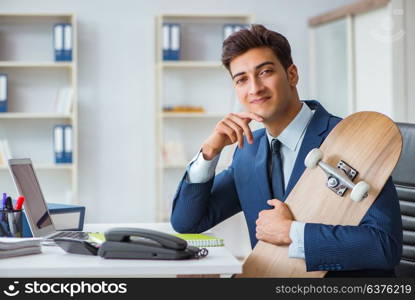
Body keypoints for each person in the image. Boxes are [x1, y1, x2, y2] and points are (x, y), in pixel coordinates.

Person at [170, 24, 402, 277]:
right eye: (242, 79)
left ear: (292, 75)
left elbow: (384, 246)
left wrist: (292, 233)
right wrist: (208, 153)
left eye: (265, 72)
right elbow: (187, 222)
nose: (254, 88)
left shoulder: (353, 139)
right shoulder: (248, 149)